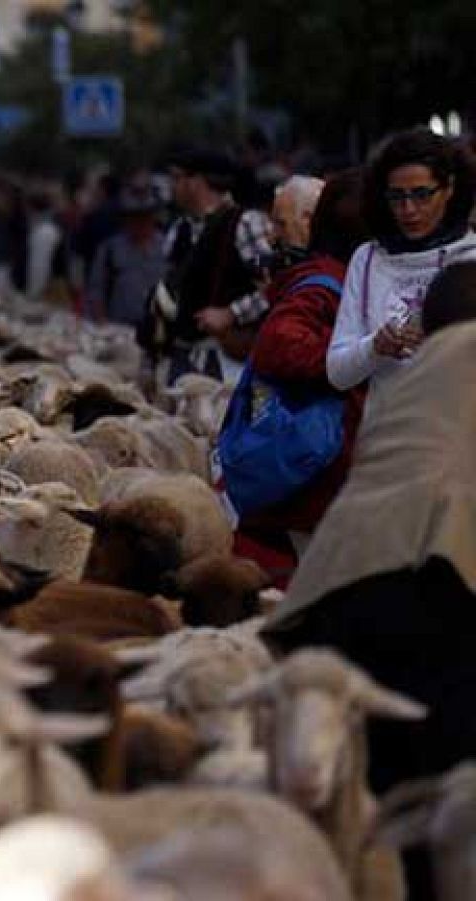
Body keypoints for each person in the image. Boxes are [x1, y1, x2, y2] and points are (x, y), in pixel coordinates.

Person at [266, 261, 476, 900]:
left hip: (343, 589)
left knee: (396, 794)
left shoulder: (413, 382)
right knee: (456, 784)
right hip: (440, 581)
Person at [242, 172, 370, 554]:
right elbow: (278, 346)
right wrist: (360, 353)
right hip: (329, 471)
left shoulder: (348, 277)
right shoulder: (322, 283)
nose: (273, 237)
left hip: (335, 470)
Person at [325, 129, 476, 400]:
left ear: (449, 188)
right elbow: (337, 373)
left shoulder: (470, 258)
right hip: (389, 431)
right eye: (397, 197)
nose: (409, 210)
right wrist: (375, 347)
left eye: (422, 195)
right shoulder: (369, 259)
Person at [151, 147, 274, 386]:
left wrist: (232, 313)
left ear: (196, 182)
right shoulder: (180, 231)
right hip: (183, 357)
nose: (172, 186)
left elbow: (278, 284)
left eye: (177, 178)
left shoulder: (245, 223)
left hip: (232, 359)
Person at [86, 183, 165, 332]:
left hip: (156, 330)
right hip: (118, 327)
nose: (140, 222)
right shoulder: (110, 249)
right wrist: (100, 323)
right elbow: (96, 290)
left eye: (145, 216)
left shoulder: (168, 248)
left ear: (154, 217)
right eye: (134, 216)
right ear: (126, 219)